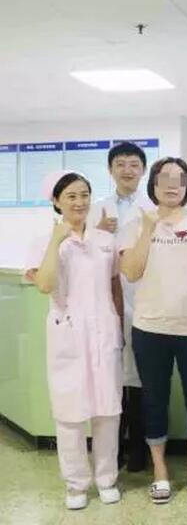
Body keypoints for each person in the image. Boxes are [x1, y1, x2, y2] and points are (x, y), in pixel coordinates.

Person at [119, 157, 187, 504]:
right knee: (154, 400)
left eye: (180, 178)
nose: (172, 184)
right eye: (164, 178)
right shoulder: (136, 223)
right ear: (153, 183)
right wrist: (149, 229)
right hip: (149, 327)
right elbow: (131, 272)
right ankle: (160, 471)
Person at [25, 172, 124, 510]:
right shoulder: (43, 240)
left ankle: (107, 478)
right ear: (56, 201)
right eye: (71, 196)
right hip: (67, 332)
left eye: (84, 195)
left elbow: (114, 284)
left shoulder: (104, 239)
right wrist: (56, 241)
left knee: (108, 411)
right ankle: (76, 485)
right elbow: (45, 285)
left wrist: (118, 324)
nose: (80, 202)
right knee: (69, 413)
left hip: (104, 332)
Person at [87, 141, 155, 473]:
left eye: (134, 164)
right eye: (120, 164)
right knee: (110, 375)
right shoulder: (96, 209)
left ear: (143, 170)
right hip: (105, 300)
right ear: (110, 170)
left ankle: (139, 447)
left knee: (140, 376)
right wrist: (97, 233)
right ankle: (112, 448)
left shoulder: (152, 209)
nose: (127, 170)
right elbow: (80, 250)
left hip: (143, 298)